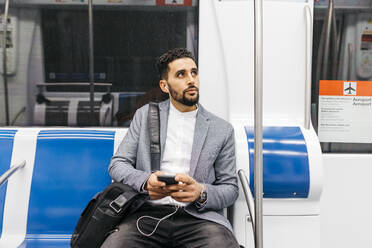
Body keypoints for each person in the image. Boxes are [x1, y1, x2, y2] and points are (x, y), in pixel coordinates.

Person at [102, 48, 240, 248]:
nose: (191, 80)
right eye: (181, 74)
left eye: (194, 72)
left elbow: (230, 189)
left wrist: (200, 192)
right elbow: (118, 164)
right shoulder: (145, 116)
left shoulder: (222, 129)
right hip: (147, 214)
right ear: (164, 86)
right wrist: (146, 181)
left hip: (200, 219)